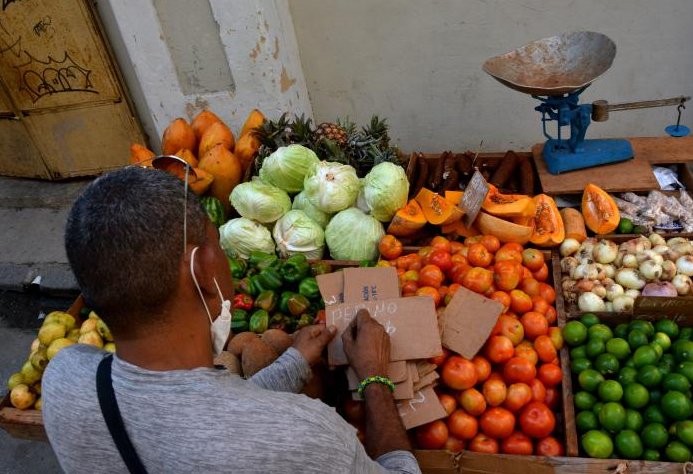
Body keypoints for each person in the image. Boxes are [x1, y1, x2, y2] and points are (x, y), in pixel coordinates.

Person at [43, 166, 420, 474]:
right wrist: (374, 378)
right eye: (218, 248)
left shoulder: (64, 379)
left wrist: (292, 364)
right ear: (202, 270)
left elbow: (195, 417)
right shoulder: (303, 438)